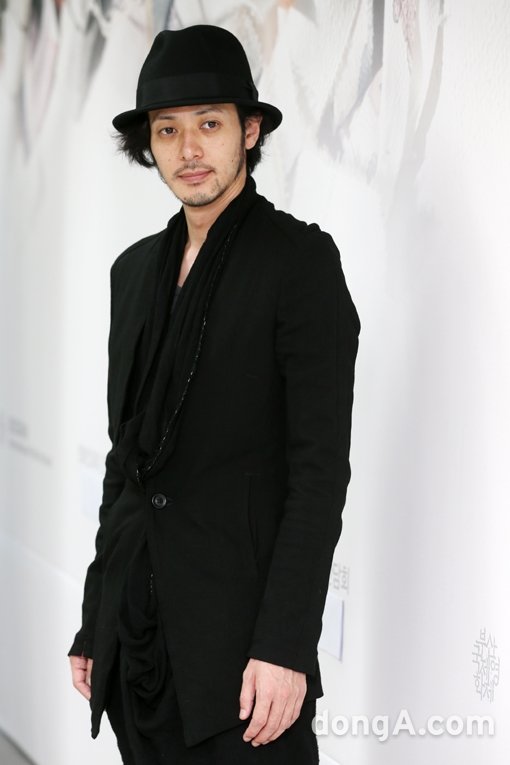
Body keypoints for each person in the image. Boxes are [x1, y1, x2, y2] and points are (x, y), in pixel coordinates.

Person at [68, 24, 360, 765]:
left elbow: (319, 473)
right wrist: (96, 615)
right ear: (149, 142)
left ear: (248, 130)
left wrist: (285, 644)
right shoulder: (133, 271)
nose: (188, 149)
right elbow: (126, 462)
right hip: (137, 637)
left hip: (242, 653)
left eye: (209, 124)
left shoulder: (299, 262)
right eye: (168, 129)